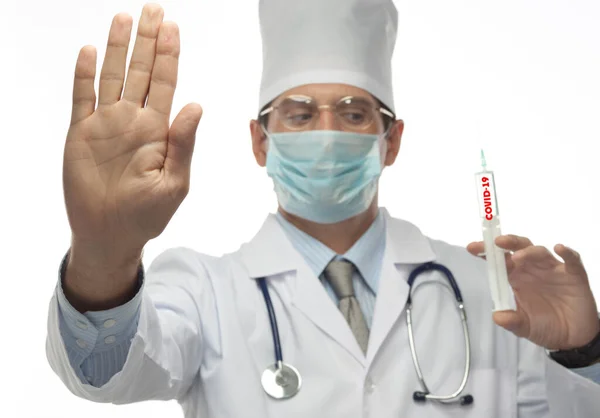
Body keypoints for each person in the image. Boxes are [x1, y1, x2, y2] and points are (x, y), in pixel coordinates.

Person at [46, 1, 600, 417]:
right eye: (301, 114)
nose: (329, 134)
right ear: (260, 142)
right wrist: (104, 251)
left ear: (392, 140)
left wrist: (584, 351)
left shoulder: (490, 294)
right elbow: (102, 373)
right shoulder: (203, 291)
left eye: (356, 114)